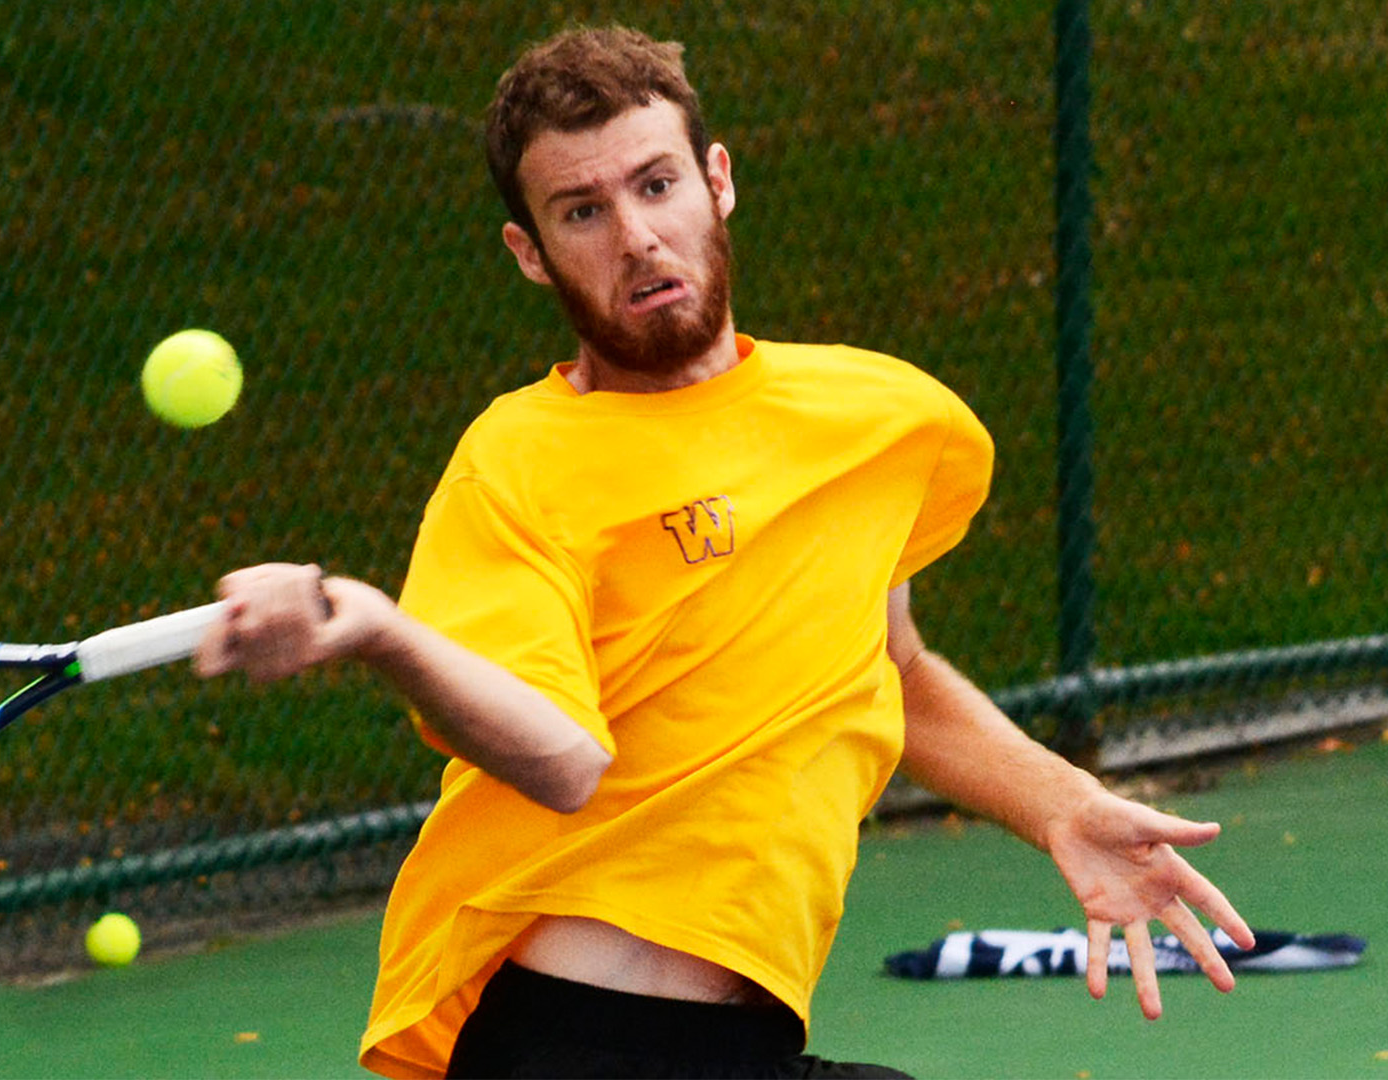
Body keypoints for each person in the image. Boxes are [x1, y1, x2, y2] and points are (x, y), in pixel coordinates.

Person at [195, 25, 1254, 1080]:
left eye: (656, 186)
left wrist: (1060, 803)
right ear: (531, 253)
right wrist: (381, 631)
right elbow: (561, 760)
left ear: (718, 181)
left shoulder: (876, 420)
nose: (636, 236)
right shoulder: (516, 465)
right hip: (579, 1040)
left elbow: (891, 668)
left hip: (740, 1045)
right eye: (582, 212)